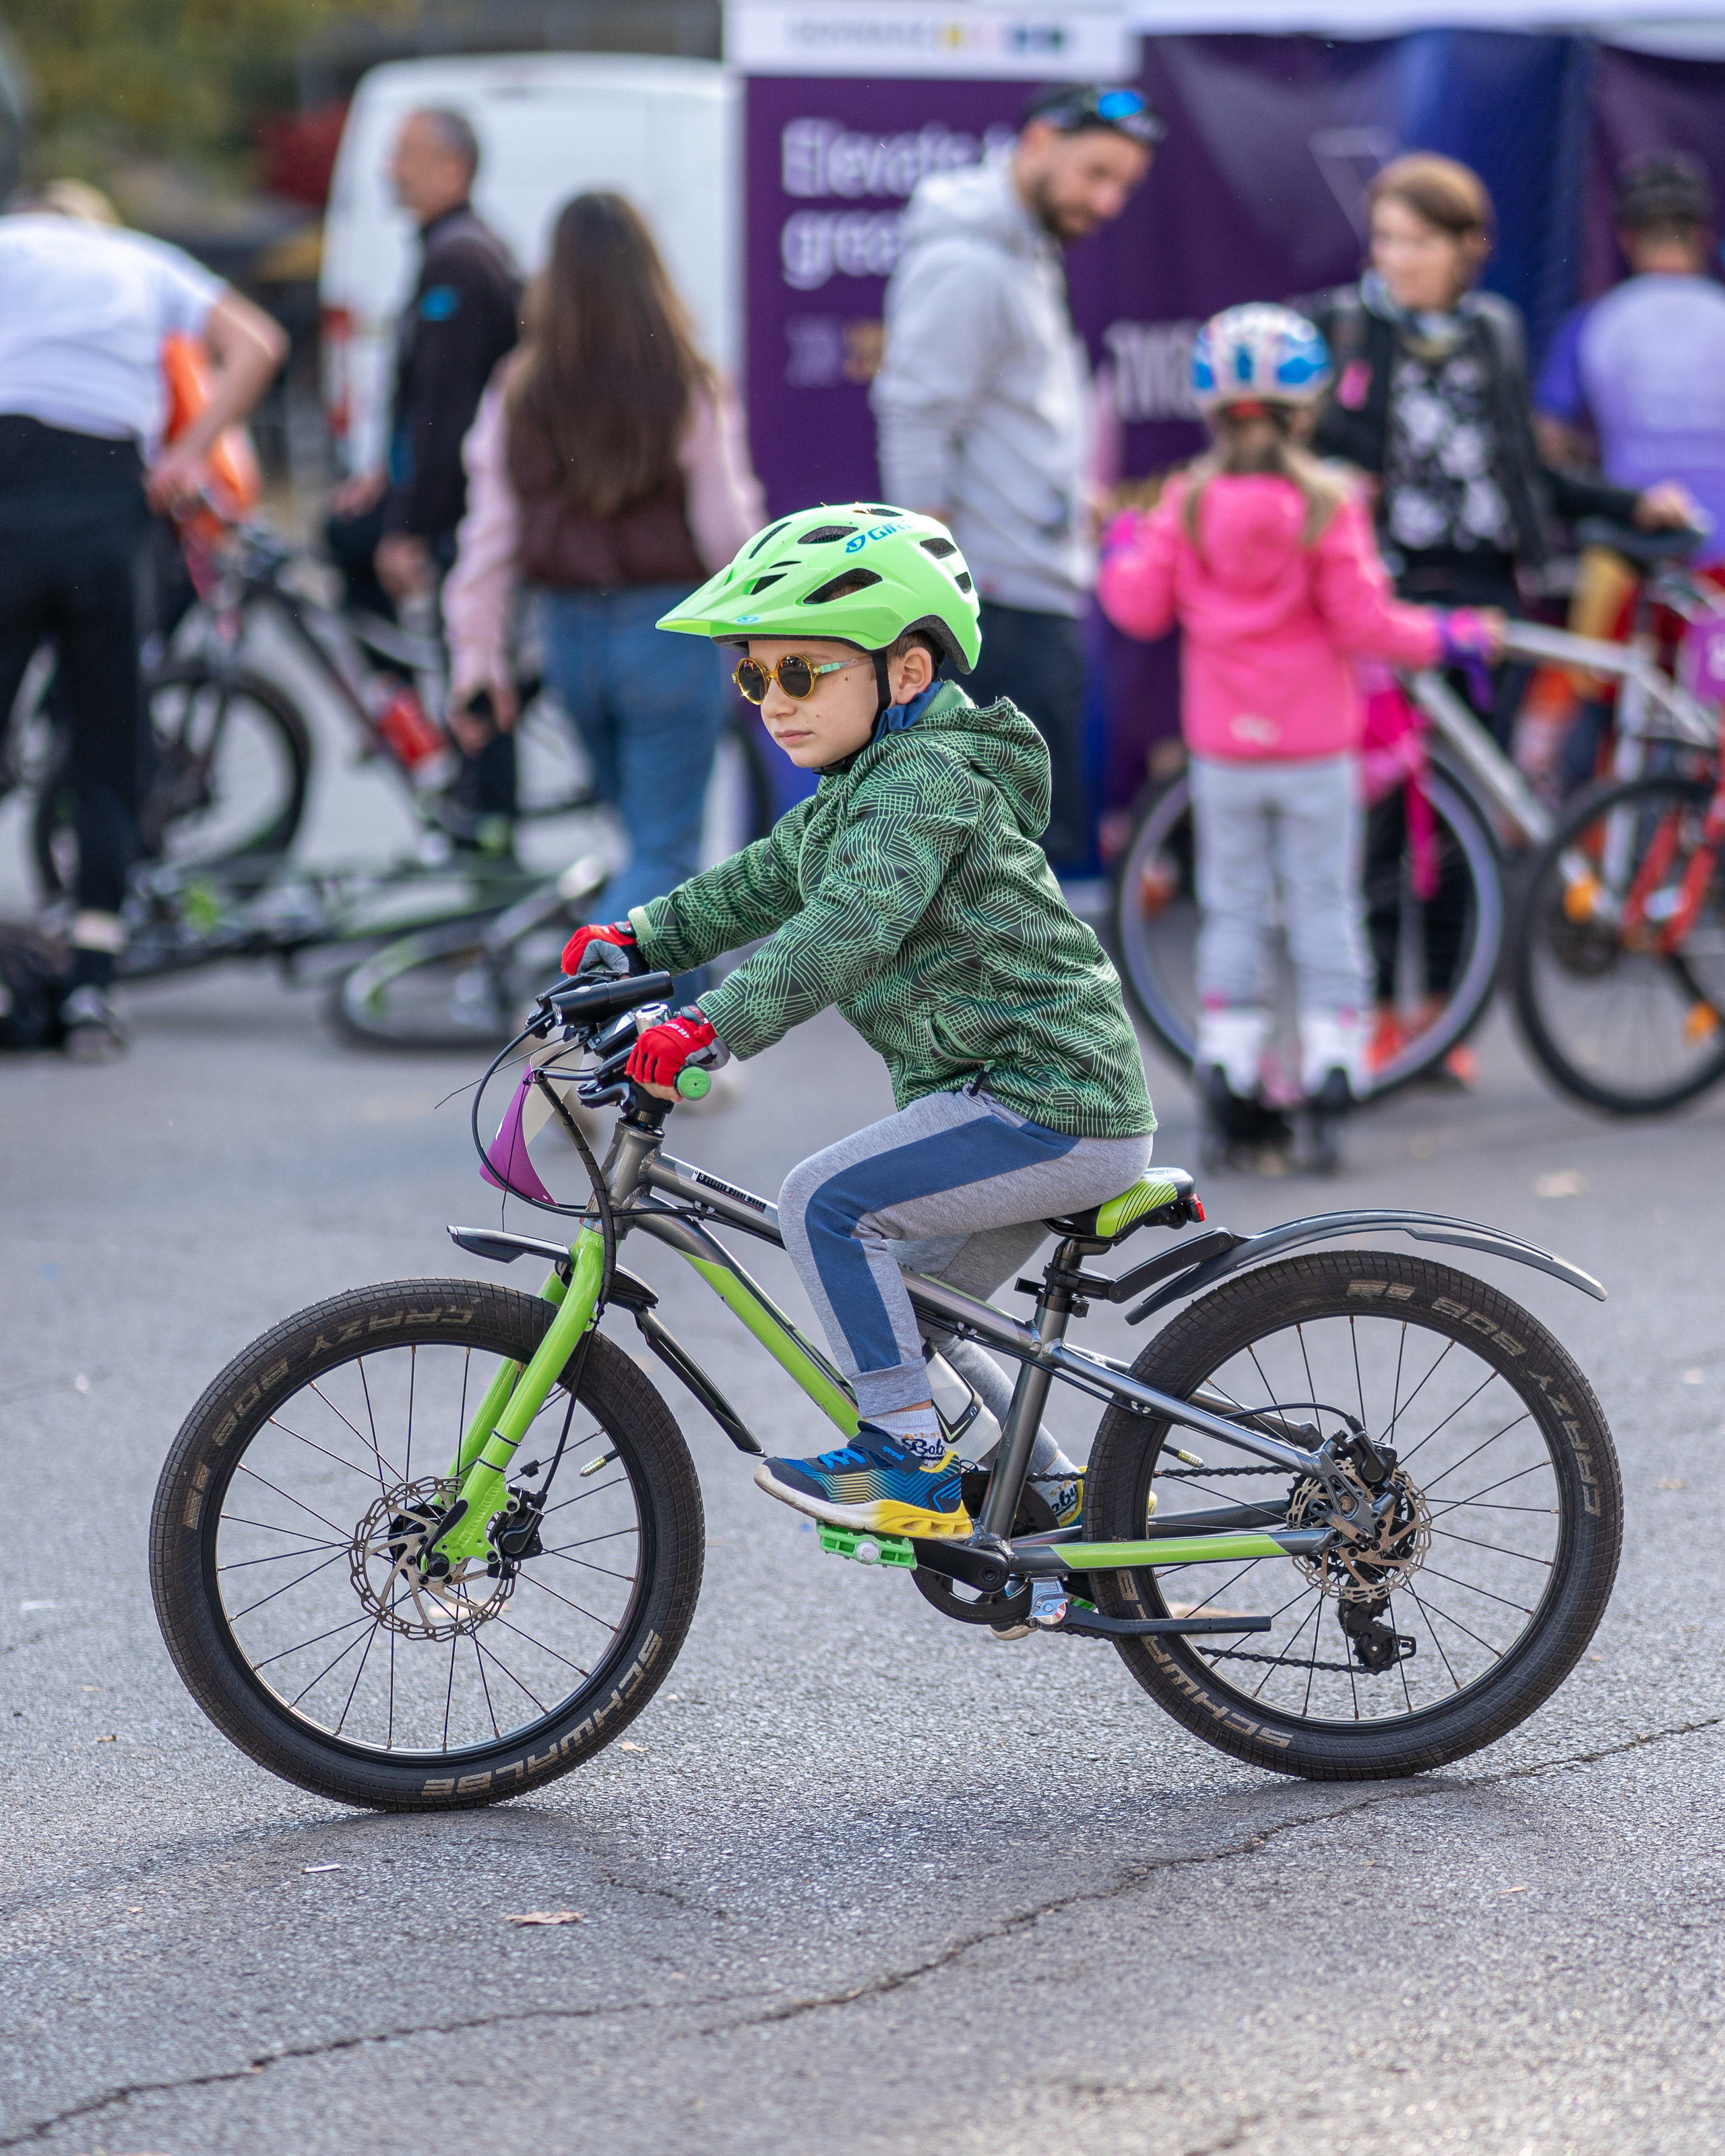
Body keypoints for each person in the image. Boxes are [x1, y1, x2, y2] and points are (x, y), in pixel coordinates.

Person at [553, 509, 1156, 1540]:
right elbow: (764, 880)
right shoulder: (860, 788)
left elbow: (849, 926)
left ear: (906, 672)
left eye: (802, 673)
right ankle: (1058, 1501)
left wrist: (710, 1025)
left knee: (825, 1205)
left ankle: (910, 1465)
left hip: (1048, 1102)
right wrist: (641, 936)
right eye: (754, 678)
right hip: (1019, 1103)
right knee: (904, 1309)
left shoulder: (923, 783)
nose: (774, 703)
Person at [1302, 152, 1695, 1081]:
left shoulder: (1495, 332)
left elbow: (1528, 471)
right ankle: (1379, 1013)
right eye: (1385, 238)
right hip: (1384, 595)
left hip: (1484, 595)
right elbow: (1298, 451)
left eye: (1417, 241)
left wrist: (1629, 505)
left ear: (1466, 248)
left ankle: (1442, 1015)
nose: (1396, 258)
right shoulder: (1344, 329)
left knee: (1465, 812)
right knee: (1386, 813)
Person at [1097, 305, 1498, 1172]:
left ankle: (1231, 1073)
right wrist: (1451, 634)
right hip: (1318, 748)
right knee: (1326, 904)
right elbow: (1366, 622)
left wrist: (1120, 546)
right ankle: (1330, 1072)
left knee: (1233, 906)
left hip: (1224, 751)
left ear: (1210, 409)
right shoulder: (1330, 504)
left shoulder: (1186, 503)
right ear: (1307, 409)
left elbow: (1137, 607)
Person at [0, 191, 284, 1058]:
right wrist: (189, 453)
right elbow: (260, 343)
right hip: (110, 511)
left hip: (10, 498)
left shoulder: (11, 246)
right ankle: (92, 981)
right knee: (106, 747)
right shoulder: (139, 259)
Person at [443, 192, 763, 930]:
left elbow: (488, 540)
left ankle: (668, 1005)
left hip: (568, 642)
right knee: (663, 856)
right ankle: (582, 987)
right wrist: (765, 626)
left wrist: (477, 661)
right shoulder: (684, 380)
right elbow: (724, 528)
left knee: (648, 850)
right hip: (668, 634)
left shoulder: (519, 388)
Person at [871, 83, 1161, 867]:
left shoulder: (1024, 248)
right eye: (1095, 173)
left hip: (1024, 586)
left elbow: (1006, 415)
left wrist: (1067, 498)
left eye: (1122, 185)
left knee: (1009, 852)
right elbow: (915, 417)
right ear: (1037, 142)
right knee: (1016, 855)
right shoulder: (970, 261)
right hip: (994, 603)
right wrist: (932, 584)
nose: (1106, 201)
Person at [325, 107, 521, 835]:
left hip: (465, 503)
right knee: (351, 536)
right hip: (459, 495)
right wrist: (383, 476)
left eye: (405, 153)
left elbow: (446, 411)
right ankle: (434, 753)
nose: (389, 170)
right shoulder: (455, 249)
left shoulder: (459, 261)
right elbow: (420, 403)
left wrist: (408, 526)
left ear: (452, 168)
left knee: (469, 642)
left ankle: (474, 800)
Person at [1536, 153, 1725, 563]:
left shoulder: (1592, 322)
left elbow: (1551, 440)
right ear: (1704, 235)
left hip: (1628, 557)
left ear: (1626, 238)